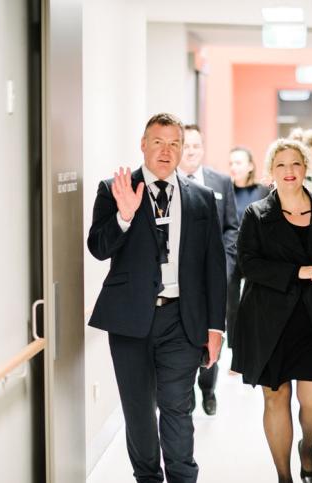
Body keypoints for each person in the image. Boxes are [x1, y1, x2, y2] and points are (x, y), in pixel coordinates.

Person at [87, 113, 227, 483]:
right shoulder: (113, 189)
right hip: (130, 320)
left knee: (178, 407)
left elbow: (214, 267)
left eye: (174, 143)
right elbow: (98, 248)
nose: (166, 151)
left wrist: (216, 328)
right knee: (138, 412)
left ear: (183, 149)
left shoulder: (200, 199)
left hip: (182, 319)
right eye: (158, 142)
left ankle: (183, 478)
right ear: (143, 145)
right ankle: (147, 478)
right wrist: (124, 216)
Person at [231, 139, 312, 483]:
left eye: (296, 164)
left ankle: (308, 446)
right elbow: (247, 264)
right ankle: (284, 476)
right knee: (276, 399)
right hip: (269, 320)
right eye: (281, 165)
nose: (289, 172)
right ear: (271, 172)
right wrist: (298, 272)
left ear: (306, 168)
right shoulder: (257, 215)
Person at [179, 124, 239, 415]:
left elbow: (231, 227)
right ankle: (185, 392)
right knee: (185, 336)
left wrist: (226, 266)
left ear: (203, 148)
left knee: (213, 333)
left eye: (196, 146)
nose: (191, 151)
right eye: (186, 146)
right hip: (180, 279)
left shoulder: (220, 181)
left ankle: (208, 390)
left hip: (214, 277)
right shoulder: (171, 182)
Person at [226, 146, 270, 349]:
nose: (234, 167)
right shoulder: (225, 191)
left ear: (250, 165)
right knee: (231, 305)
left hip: (256, 255)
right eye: (231, 163)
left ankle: (257, 345)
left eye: (239, 162)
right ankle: (236, 350)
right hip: (232, 255)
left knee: (256, 302)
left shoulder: (263, 191)